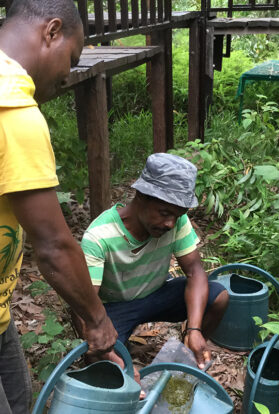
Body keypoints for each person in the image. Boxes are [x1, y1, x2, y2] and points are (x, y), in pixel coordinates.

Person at [0, 1, 118, 412]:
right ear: (51, 31)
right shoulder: (13, 110)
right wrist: (99, 322)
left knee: (19, 399)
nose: (70, 74)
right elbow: (52, 246)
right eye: (72, 58)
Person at [80, 152, 229, 370]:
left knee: (219, 297)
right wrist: (96, 343)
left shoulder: (176, 220)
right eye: (164, 213)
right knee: (101, 360)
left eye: (177, 215)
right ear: (141, 196)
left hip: (156, 295)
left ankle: (186, 357)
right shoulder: (99, 236)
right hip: (115, 309)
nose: (170, 223)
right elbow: (84, 305)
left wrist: (194, 329)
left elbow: (195, 272)